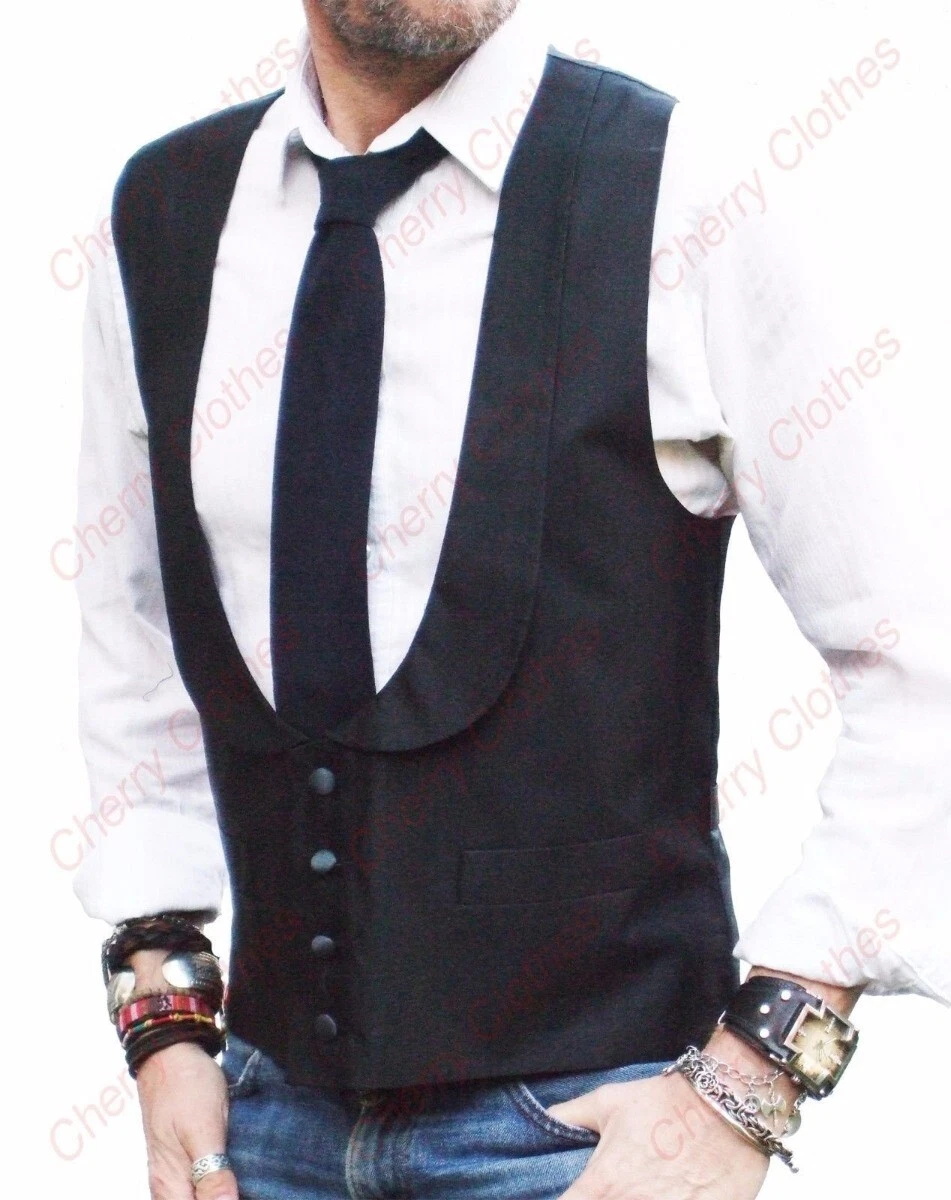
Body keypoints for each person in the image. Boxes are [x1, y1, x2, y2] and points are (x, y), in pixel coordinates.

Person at [71, 1, 949, 1197]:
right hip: (259, 1130)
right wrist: (163, 1017)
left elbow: (920, 655)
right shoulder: (166, 215)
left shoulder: (686, 191)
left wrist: (754, 1080)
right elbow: (136, 644)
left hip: (591, 1138)